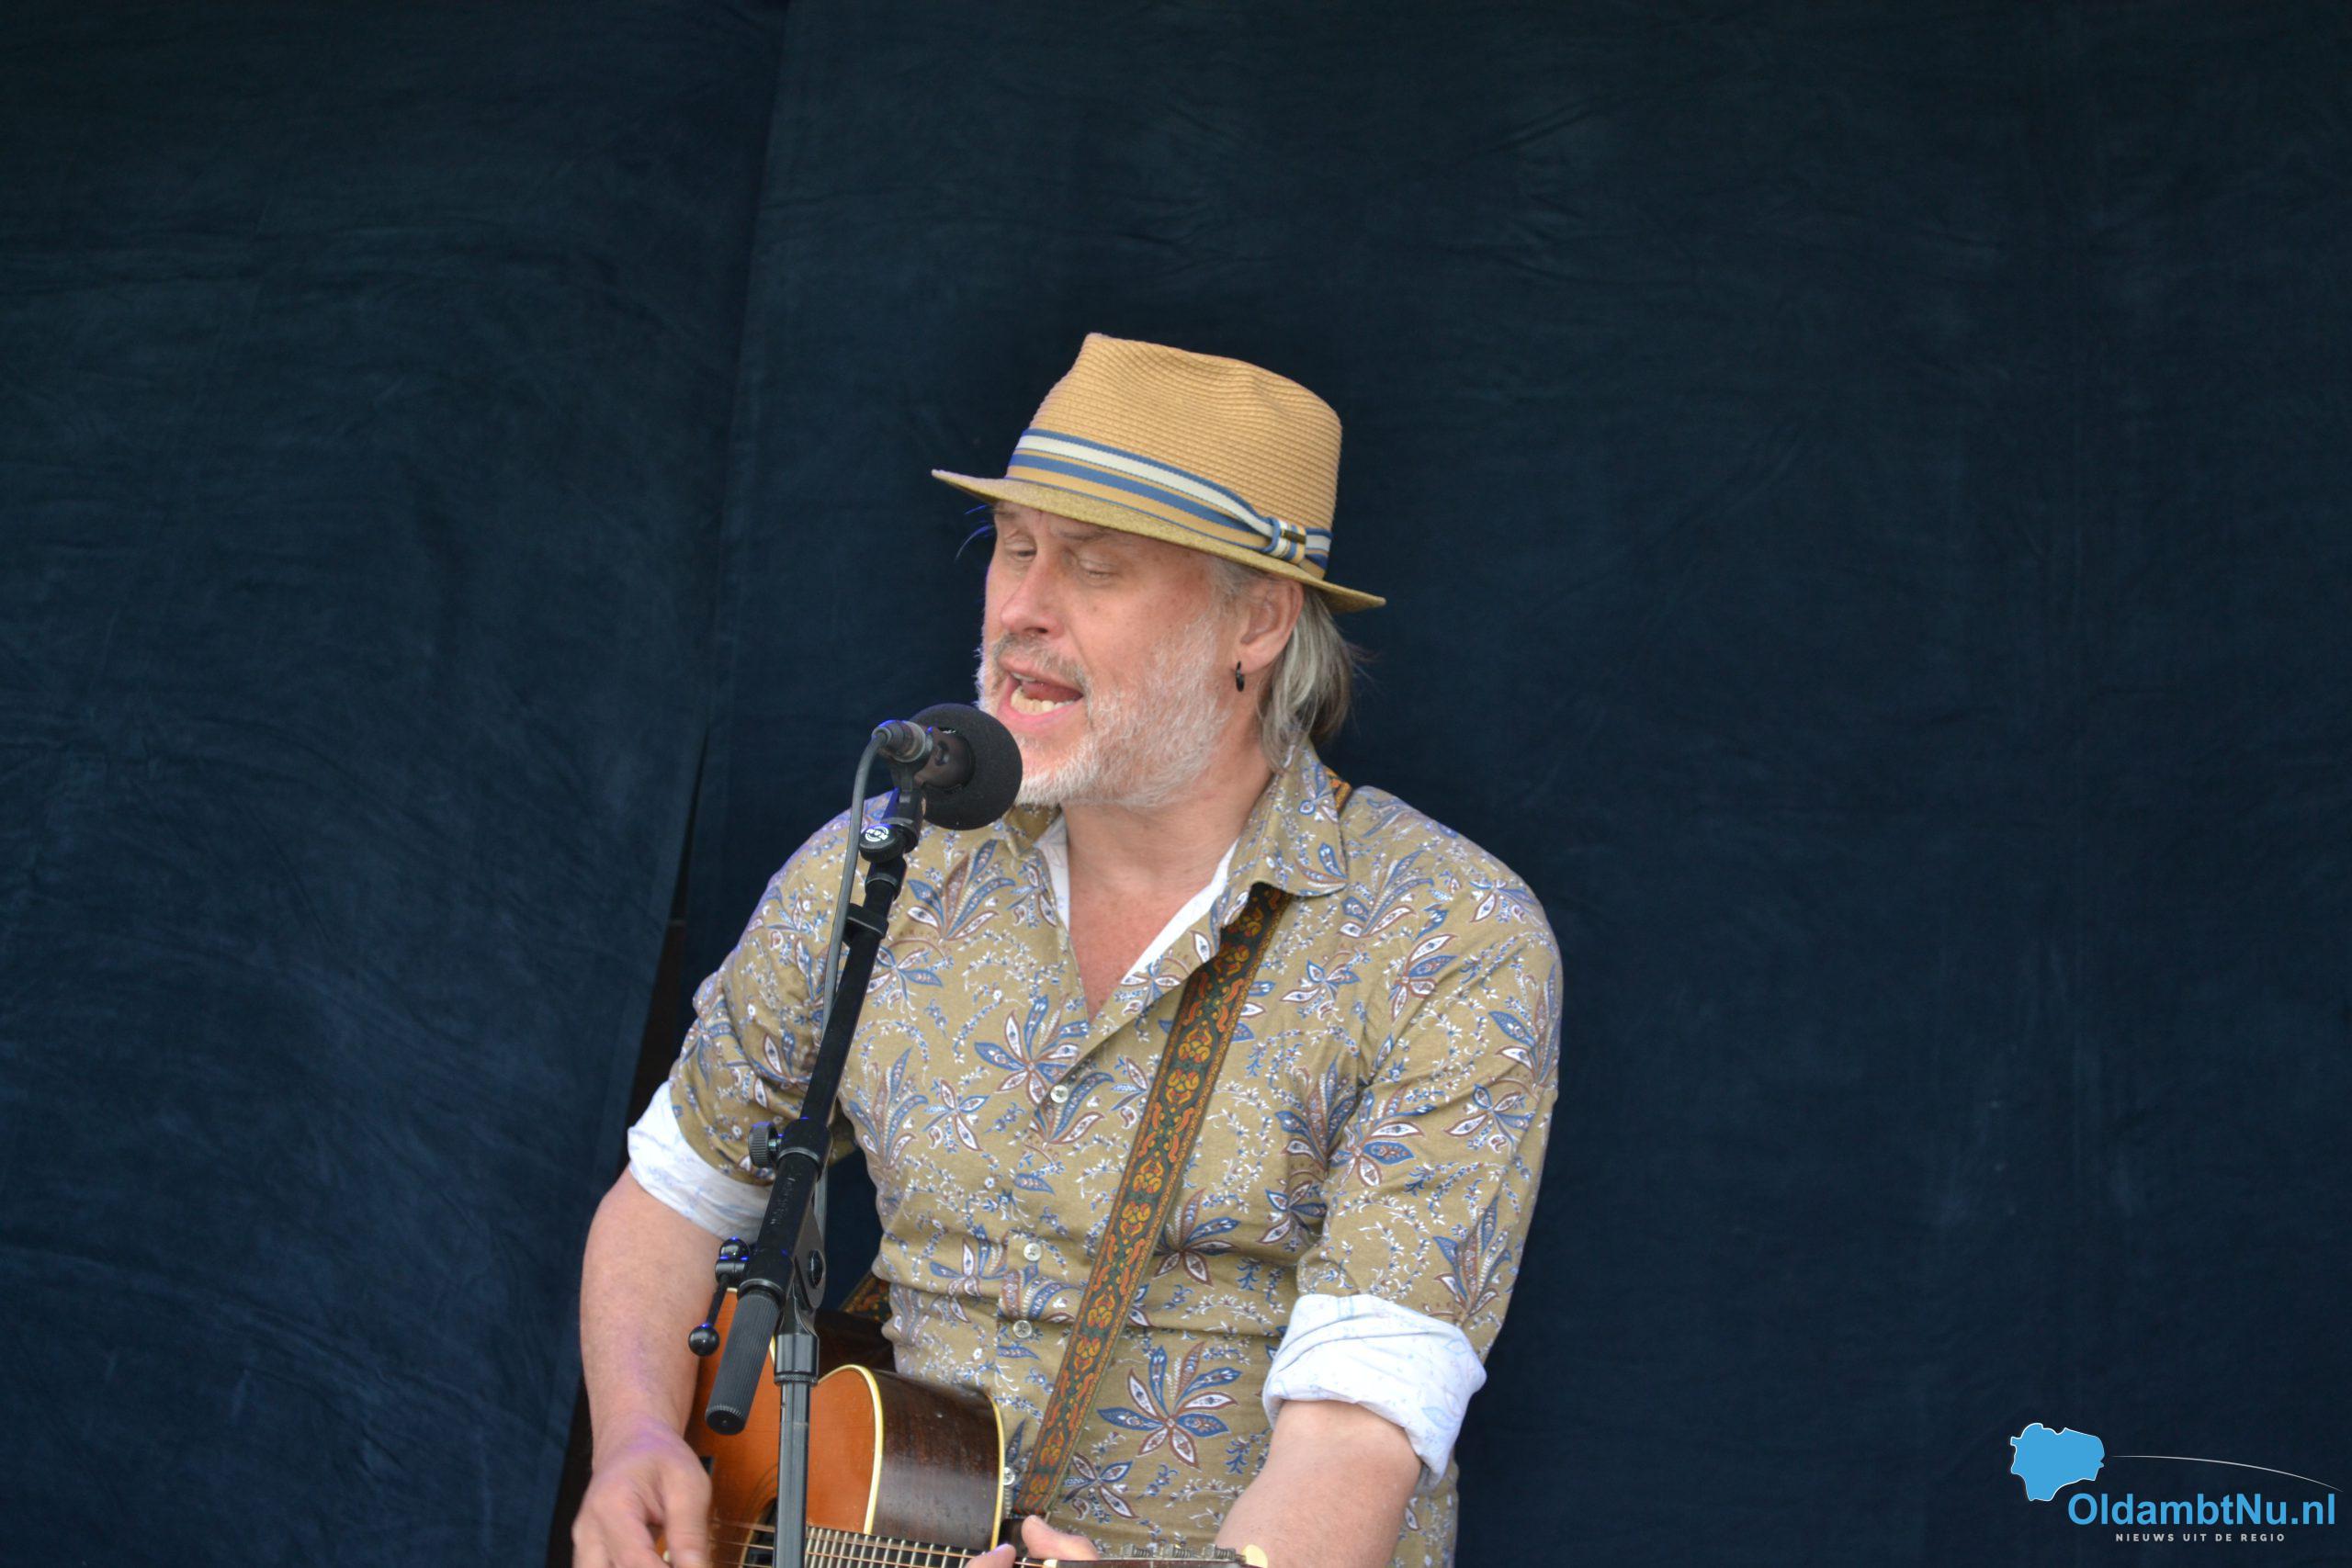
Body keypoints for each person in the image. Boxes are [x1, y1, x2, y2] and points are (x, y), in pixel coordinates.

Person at [572, 333, 1563, 1568]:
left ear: (1257, 620)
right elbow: (675, 1195)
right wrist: (634, 1438)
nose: (1021, 611)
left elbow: (1360, 1430)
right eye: (1015, 547)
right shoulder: (885, 865)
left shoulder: (1443, 934)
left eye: (1095, 568)